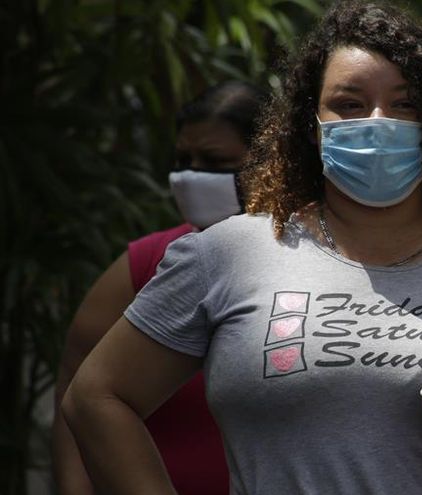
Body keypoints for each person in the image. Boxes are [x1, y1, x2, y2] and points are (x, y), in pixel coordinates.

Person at [61, 3, 422, 494]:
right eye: (349, 105)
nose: (377, 124)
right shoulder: (227, 254)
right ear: (312, 126)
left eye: (405, 105)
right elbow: (97, 396)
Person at [51, 80, 269, 494]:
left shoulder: (318, 261)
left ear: (269, 161)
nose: (191, 176)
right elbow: (76, 385)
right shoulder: (148, 263)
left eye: (214, 161)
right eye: (183, 159)